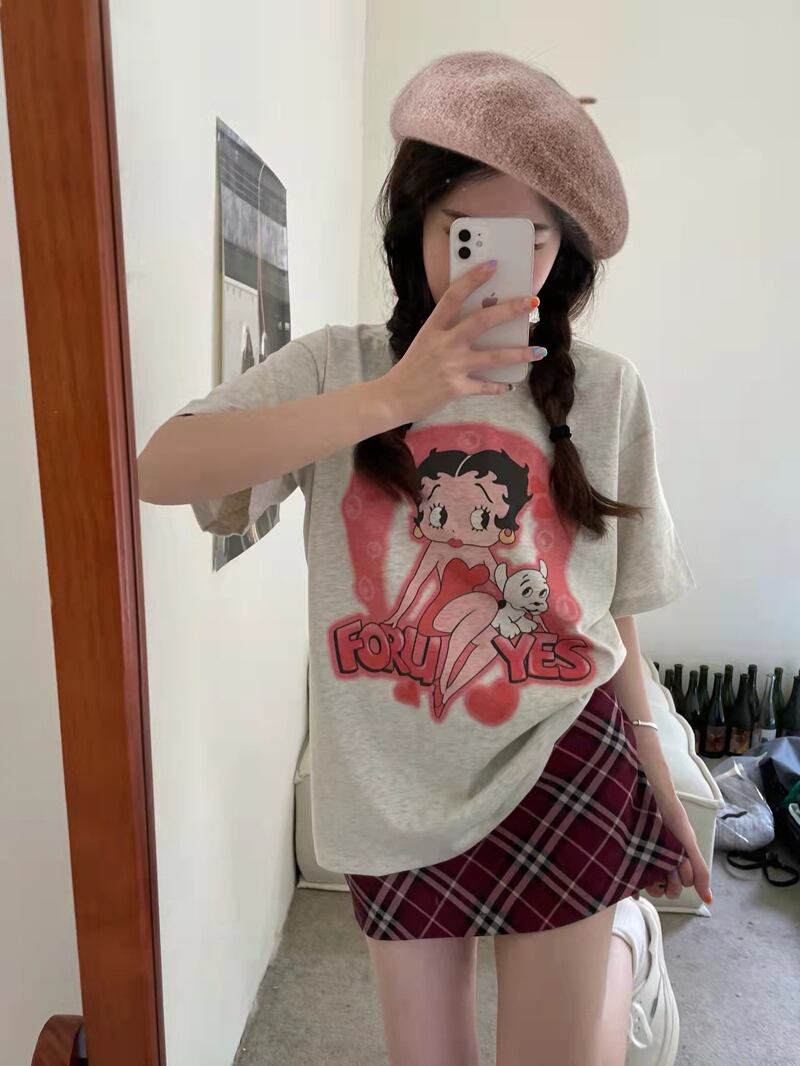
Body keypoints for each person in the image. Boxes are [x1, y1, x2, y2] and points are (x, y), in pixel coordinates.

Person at [137, 50, 712, 1066]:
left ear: (563, 250)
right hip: (387, 791)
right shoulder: (338, 366)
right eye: (466, 233)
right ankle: (623, 947)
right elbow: (162, 468)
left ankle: (622, 948)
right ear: (416, 228)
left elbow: (607, 599)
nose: (498, 266)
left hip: (559, 749)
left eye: (532, 239)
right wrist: (395, 397)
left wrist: (655, 768)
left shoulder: (607, 390)